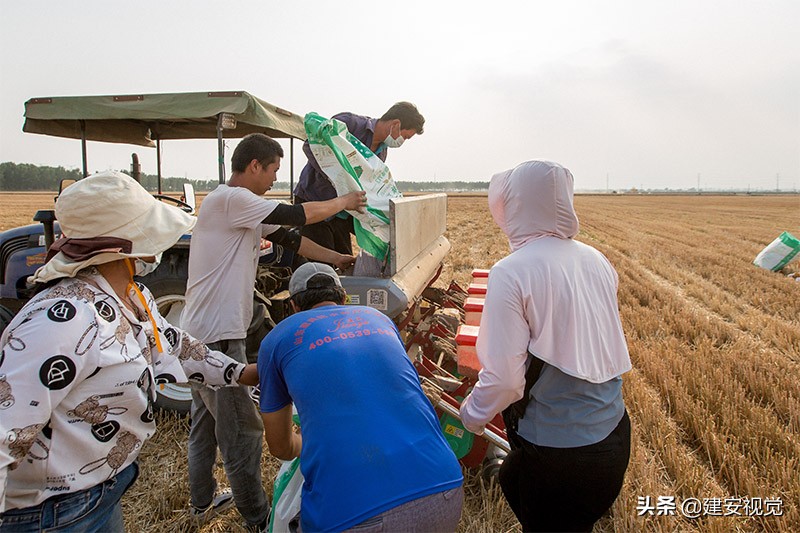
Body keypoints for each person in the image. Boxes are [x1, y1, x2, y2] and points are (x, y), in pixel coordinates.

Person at [0, 171, 259, 532]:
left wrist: (243, 373)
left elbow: (176, 346)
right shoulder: (62, 320)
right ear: (125, 244)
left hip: (102, 490)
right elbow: (5, 432)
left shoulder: (133, 297)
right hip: (52, 513)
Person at [181, 133, 367, 532]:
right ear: (254, 166)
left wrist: (337, 260)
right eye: (273, 171)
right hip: (216, 334)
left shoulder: (237, 207)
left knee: (205, 425)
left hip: (199, 330)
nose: (274, 179)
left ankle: (201, 503)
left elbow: (292, 239)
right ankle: (258, 519)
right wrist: (344, 202)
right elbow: (299, 216)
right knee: (242, 432)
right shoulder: (233, 199)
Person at [459, 160, 632, 532]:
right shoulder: (597, 260)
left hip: (559, 453)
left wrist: (470, 416)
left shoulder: (512, 271)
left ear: (517, 205)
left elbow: (505, 380)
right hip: (615, 434)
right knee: (511, 480)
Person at [257, 262, 464, 532]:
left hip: (355, 514)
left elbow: (281, 446)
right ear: (343, 298)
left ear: (294, 307)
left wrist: (307, 441)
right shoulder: (380, 320)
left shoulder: (277, 339)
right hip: (444, 489)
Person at [294, 102, 425, 255]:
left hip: (343, 211)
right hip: (316, 200)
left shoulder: (381, 154)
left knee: (344, 259)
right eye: (405, 137)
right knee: (322, 264)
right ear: (395, 124)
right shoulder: (350, 124)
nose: (403, 142)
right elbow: (310, 145)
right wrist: (337, 179)